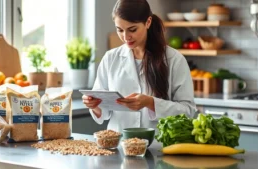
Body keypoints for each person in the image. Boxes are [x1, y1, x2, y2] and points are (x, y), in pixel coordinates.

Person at [82, 0, 196, 132]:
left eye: (132, 29)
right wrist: (94, 105)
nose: (126, 37)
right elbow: (104, 112)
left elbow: (188, 111)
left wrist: (150, 103)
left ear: (148, 22)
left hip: (158, 146)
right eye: (120, 30)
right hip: (120, 144)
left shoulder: (174, 59)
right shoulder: (110, 58)